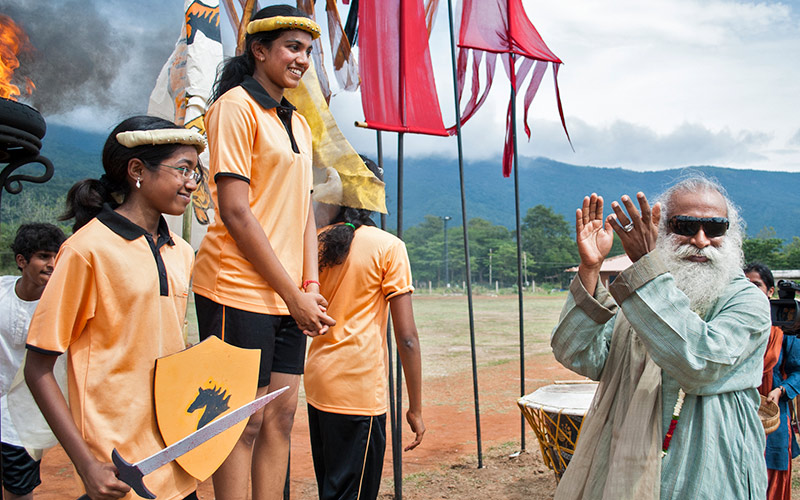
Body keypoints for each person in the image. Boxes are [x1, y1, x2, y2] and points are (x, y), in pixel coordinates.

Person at [550, 175, 771, 499]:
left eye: (714, 228)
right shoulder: (642, 297)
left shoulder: (746, 301)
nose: (700, 239)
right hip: (623, 468)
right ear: (660, 229)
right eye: (685, 226)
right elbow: (579, 354)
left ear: (729, 234)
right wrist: (590, 269)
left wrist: (644, 266)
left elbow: (699, 362)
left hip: (709, 472)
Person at [191, 5, 335, 499]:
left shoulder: (297, 123)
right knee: (240, 423)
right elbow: (235, 212)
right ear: (259, 50)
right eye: (293, 47)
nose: (302, 59)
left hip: (288, 294)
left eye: (308, 51)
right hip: (235, 288)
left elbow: (302, 216)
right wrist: (292, 292)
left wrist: (309, 290)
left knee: (282, 415)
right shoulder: (235, 106)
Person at [24, 116, 204, 500]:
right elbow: (38, 367)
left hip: (175, 460)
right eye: (183, 169)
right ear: (137, 170)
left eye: (196, 172)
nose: (192, 182)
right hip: (117, 470)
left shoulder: (183, 252)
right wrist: (86, 464)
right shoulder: (86, 250)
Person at [305, 157, 425, 500]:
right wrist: (415, 407)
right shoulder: (389, 247)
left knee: (331, 484)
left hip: (318, 383)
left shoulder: (314, 241)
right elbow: (407, 338)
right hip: (358, 391)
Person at [1, 223, 65, 500]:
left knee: (19, 490)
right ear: (22, 260)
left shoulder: (63, 305)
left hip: (25, 421)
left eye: (56, 257)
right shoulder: (1, 292)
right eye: (43, 256)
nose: (52, 264)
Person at [745, 261, 800, 500]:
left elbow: (798, 371)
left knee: (771, 478)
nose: (749, 289)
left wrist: (781, 390)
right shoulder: (732, 324)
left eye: (755, 285)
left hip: (773, 415)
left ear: (770, 292)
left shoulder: (784, 327)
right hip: (739, 412)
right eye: (743, 284)